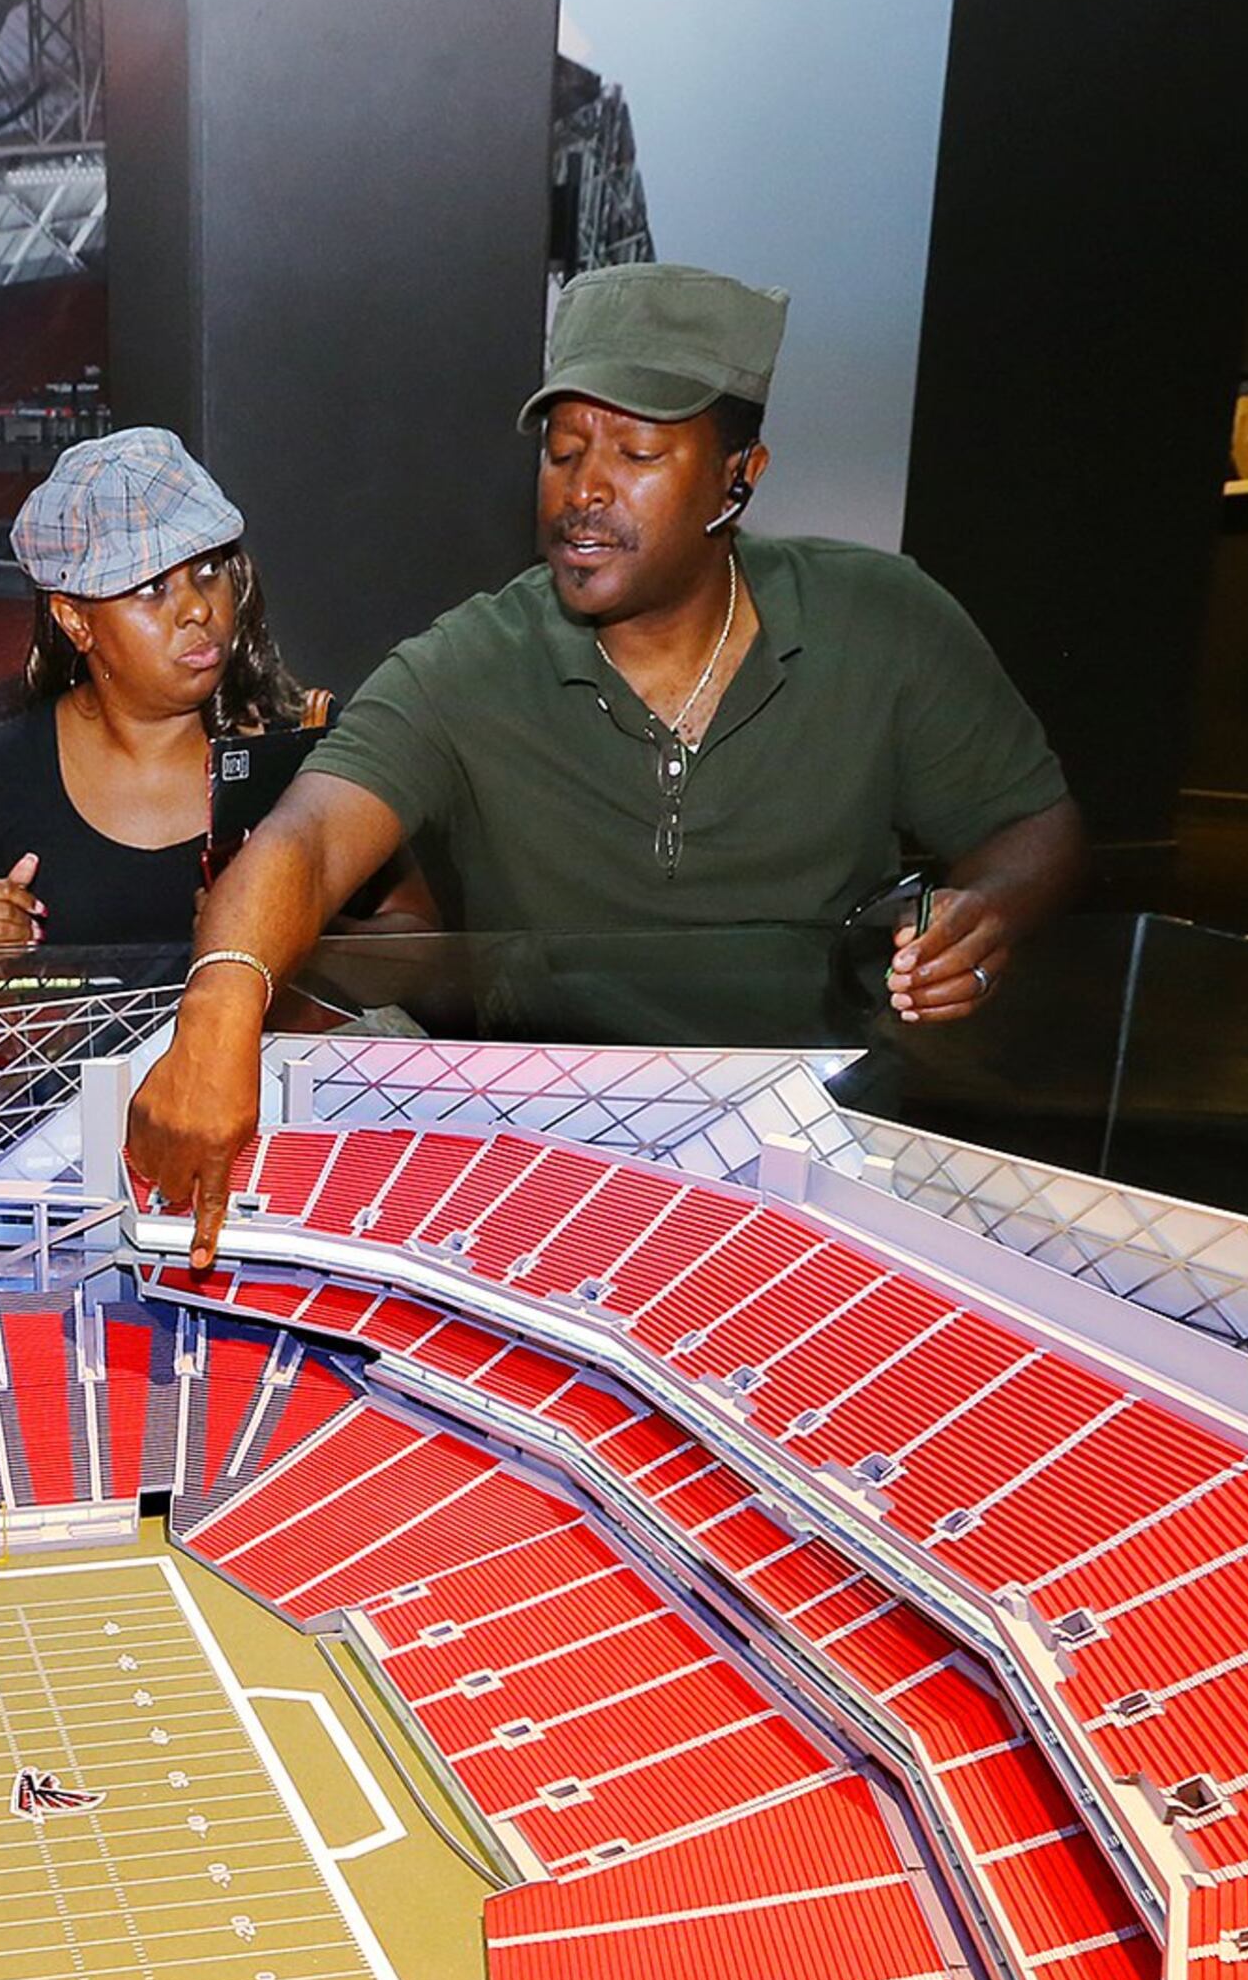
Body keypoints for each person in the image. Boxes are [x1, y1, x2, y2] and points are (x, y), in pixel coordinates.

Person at [128, 261, 1082, 1258]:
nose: (584, 491)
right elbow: (311, 836)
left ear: (737, 478)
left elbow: (1035, 825)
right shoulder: (474, 659)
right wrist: (220, 1013)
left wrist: (988, 912)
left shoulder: (884, 623)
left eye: (635, 452)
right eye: (562, 449)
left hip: (819, 1145)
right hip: (554, 1152)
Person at [0, 430, 423, 949]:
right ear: (75, 622)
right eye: (152, 588)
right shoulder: (7, 771)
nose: (198, 607)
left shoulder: (308, 750)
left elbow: (427, 948)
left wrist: (301, 930)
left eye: (208, 569)